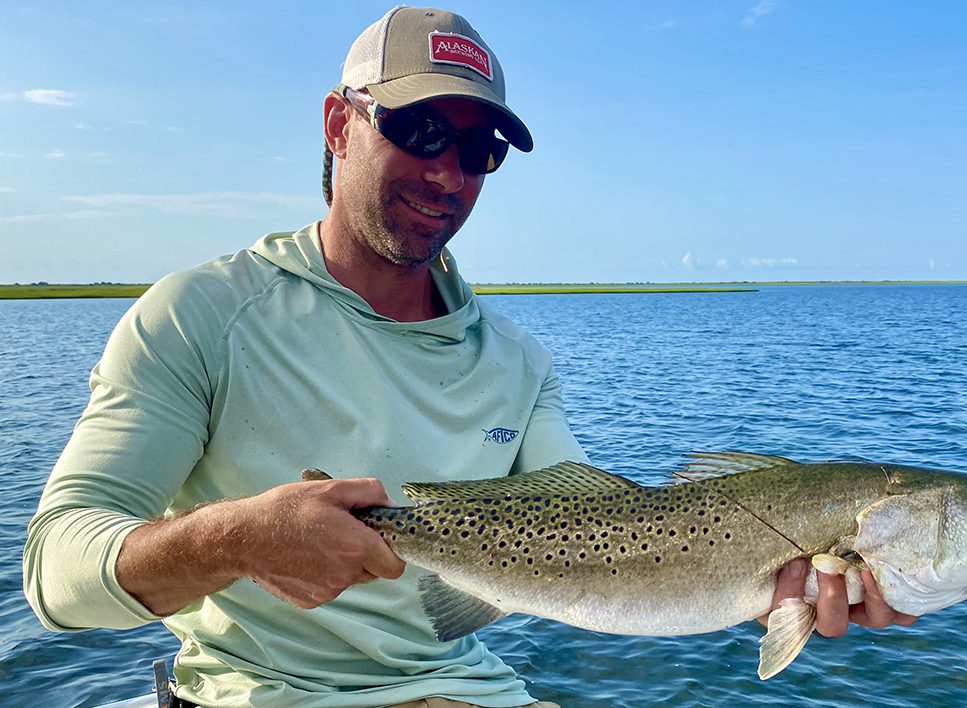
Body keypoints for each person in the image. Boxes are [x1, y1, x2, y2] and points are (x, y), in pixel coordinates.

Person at [23, 7, 914, 708]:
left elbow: (603, 532)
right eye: (420, 130)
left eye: (479, 149)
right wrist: (235, 538)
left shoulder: (516, 363)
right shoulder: (202, 315)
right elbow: (56, 576)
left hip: (470, 692)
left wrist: (779, 587)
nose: (449, 175)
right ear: (339, 124)